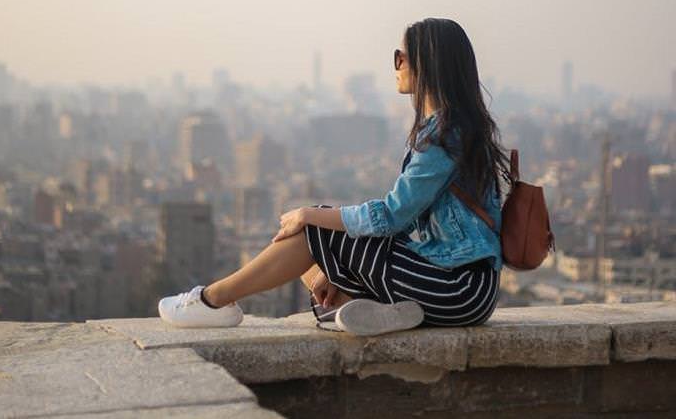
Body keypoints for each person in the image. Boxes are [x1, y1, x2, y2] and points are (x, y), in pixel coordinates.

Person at [158, 17, 512, 336]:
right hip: (459, 290)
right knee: (319, 277)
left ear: (429, 63)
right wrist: (336, 266)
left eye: (402, 57)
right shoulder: (454, 129)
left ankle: (212, 300)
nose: (397, 65)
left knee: (310, 228)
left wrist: (311, 214)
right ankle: (384, 311)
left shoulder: (445, 136)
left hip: (459, 288)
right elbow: (407, 225)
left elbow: (391, 215)